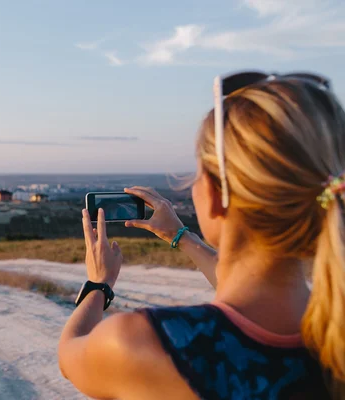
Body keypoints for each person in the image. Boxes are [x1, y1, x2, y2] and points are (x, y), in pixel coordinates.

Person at [58, 72, 345, 399]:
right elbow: (251, 288)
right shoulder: (332, 338)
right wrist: (180, 236)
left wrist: (99, 284)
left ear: (213, 193)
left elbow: (69, 355)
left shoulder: (151, 343)